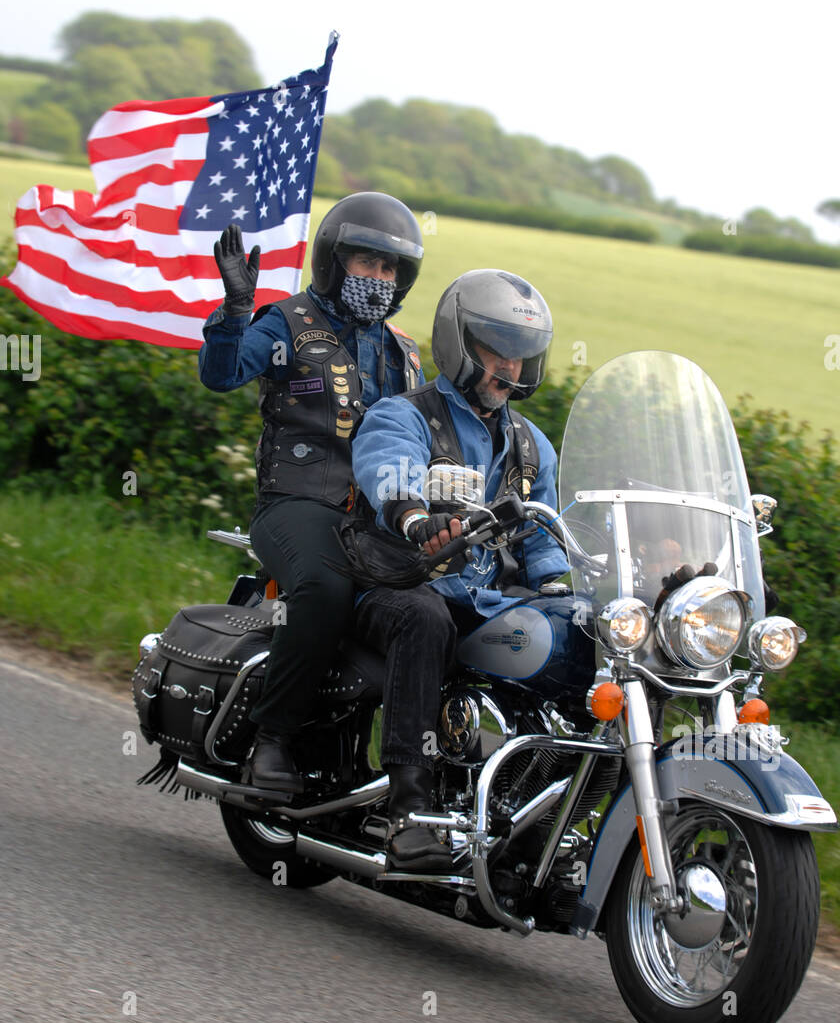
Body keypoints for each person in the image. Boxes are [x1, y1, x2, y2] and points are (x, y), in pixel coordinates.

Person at [198, 193, 425, 792]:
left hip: (378, 522)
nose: (377, 278)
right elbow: (221, 375)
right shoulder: (289, 323)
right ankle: (270, 742)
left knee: (438, 607)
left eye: (388, 268)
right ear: (333, 260)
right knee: (325, 588)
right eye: (364, 262)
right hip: (295, 505)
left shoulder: (404, 353)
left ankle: (413, 781)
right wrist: (237, 309)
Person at [350, 268, 575, 871]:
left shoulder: (533, 447)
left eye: (522, 356)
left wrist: (567, 582)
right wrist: (417, 519)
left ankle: (539, 813)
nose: (510, 369)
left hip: (483, 602)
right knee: (426, 619)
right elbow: (389, 470)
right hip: (398, 583)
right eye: (495, 351)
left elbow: (549, 532)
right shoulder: (407, 415)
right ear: (458, 343)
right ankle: (409, 810)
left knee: (581, 629)